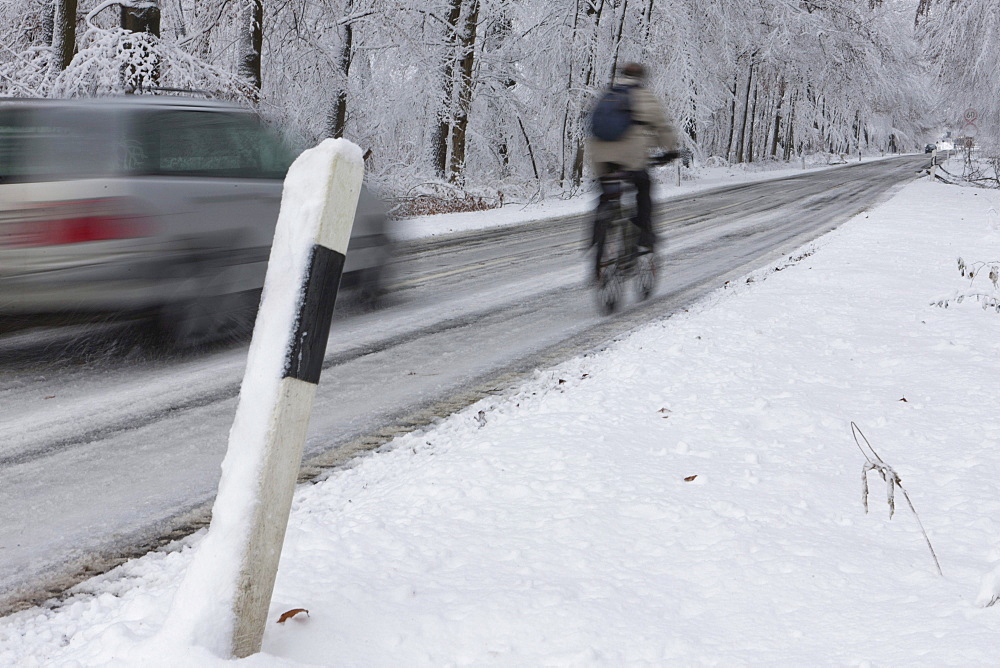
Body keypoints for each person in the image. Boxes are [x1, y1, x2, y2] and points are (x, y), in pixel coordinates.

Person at [587, 62, 678, 281]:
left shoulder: (607, 95)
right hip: (630, 157)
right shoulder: (645, 96)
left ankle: (599, 232)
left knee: (608, 192)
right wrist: (670, 150)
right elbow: (662, 127)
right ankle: (645, 234)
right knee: (643, 187)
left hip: (599, 155)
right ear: (642, 77)